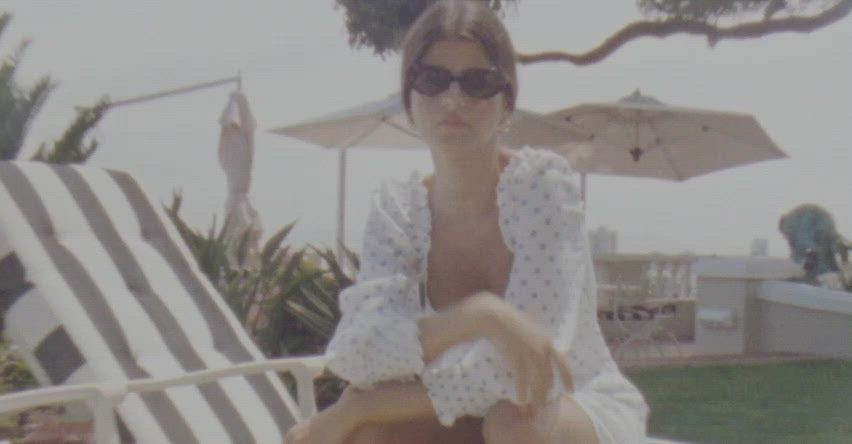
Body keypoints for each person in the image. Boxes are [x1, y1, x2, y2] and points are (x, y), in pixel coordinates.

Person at [284, 1, 648, 443]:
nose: (453, 99)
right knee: (372, 436)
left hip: (571, 399)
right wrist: (477, 316)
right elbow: (357, 353)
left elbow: (528, 371)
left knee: (513, 423)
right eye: (432, 79)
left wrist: (360, 406)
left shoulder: (542, 188)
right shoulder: (399, 210)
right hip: (461, 404)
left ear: (507, 103)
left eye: (478, 82)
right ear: (410, 100)